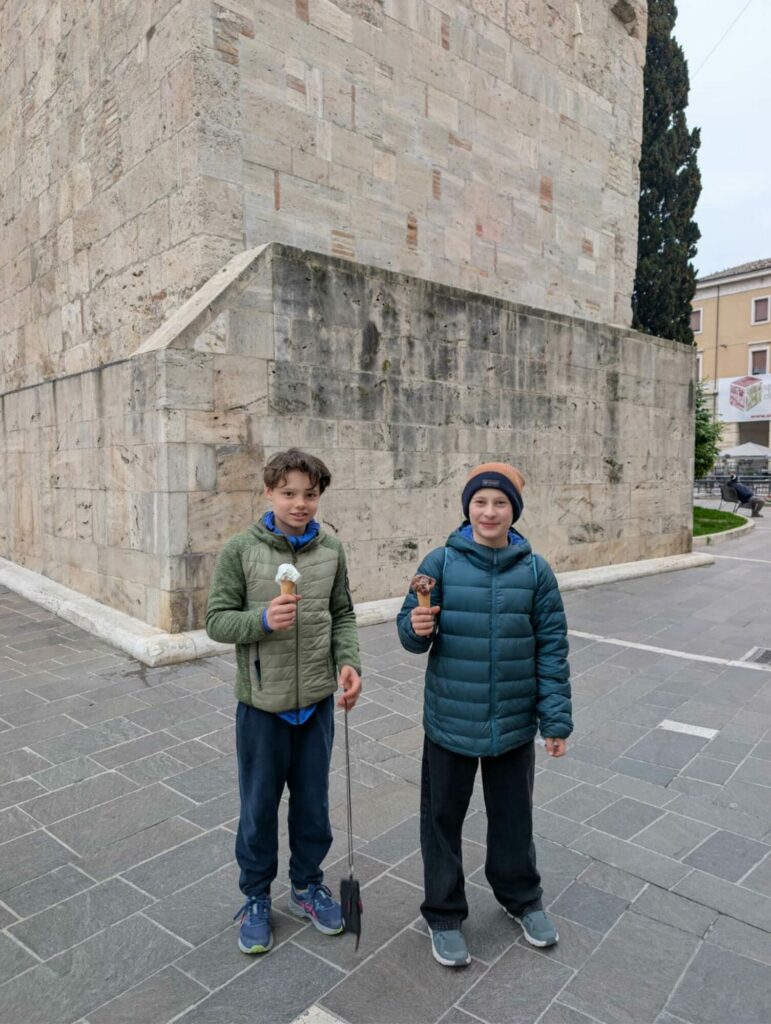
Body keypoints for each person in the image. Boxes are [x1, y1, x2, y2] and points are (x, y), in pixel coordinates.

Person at [397, 462, 572, 968]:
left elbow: (552, 650)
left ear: (514, 511)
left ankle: (522, 898)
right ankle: (444, 914)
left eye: (499, 503)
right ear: (467, 507)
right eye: (480, 502)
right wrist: (416, 626)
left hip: (513, 723)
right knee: (441, 820)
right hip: (451, 720)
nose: (489, 511)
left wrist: (555, 721)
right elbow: (410, 634)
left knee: (514, 818)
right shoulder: (441, 563)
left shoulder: (536, 572)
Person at [206, 448, 362, 955]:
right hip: (262, 707)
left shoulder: (331, 549)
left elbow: (343, 613)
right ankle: (255, 896)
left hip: (315, 703)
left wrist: (349, 662)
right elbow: (215, 621)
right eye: (289, 493)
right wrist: (262, 620)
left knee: (314, 804)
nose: (300, 503)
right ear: (269, 492)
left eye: (310, 494)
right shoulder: (240, 551)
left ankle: (307, 886)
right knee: (258, 807)